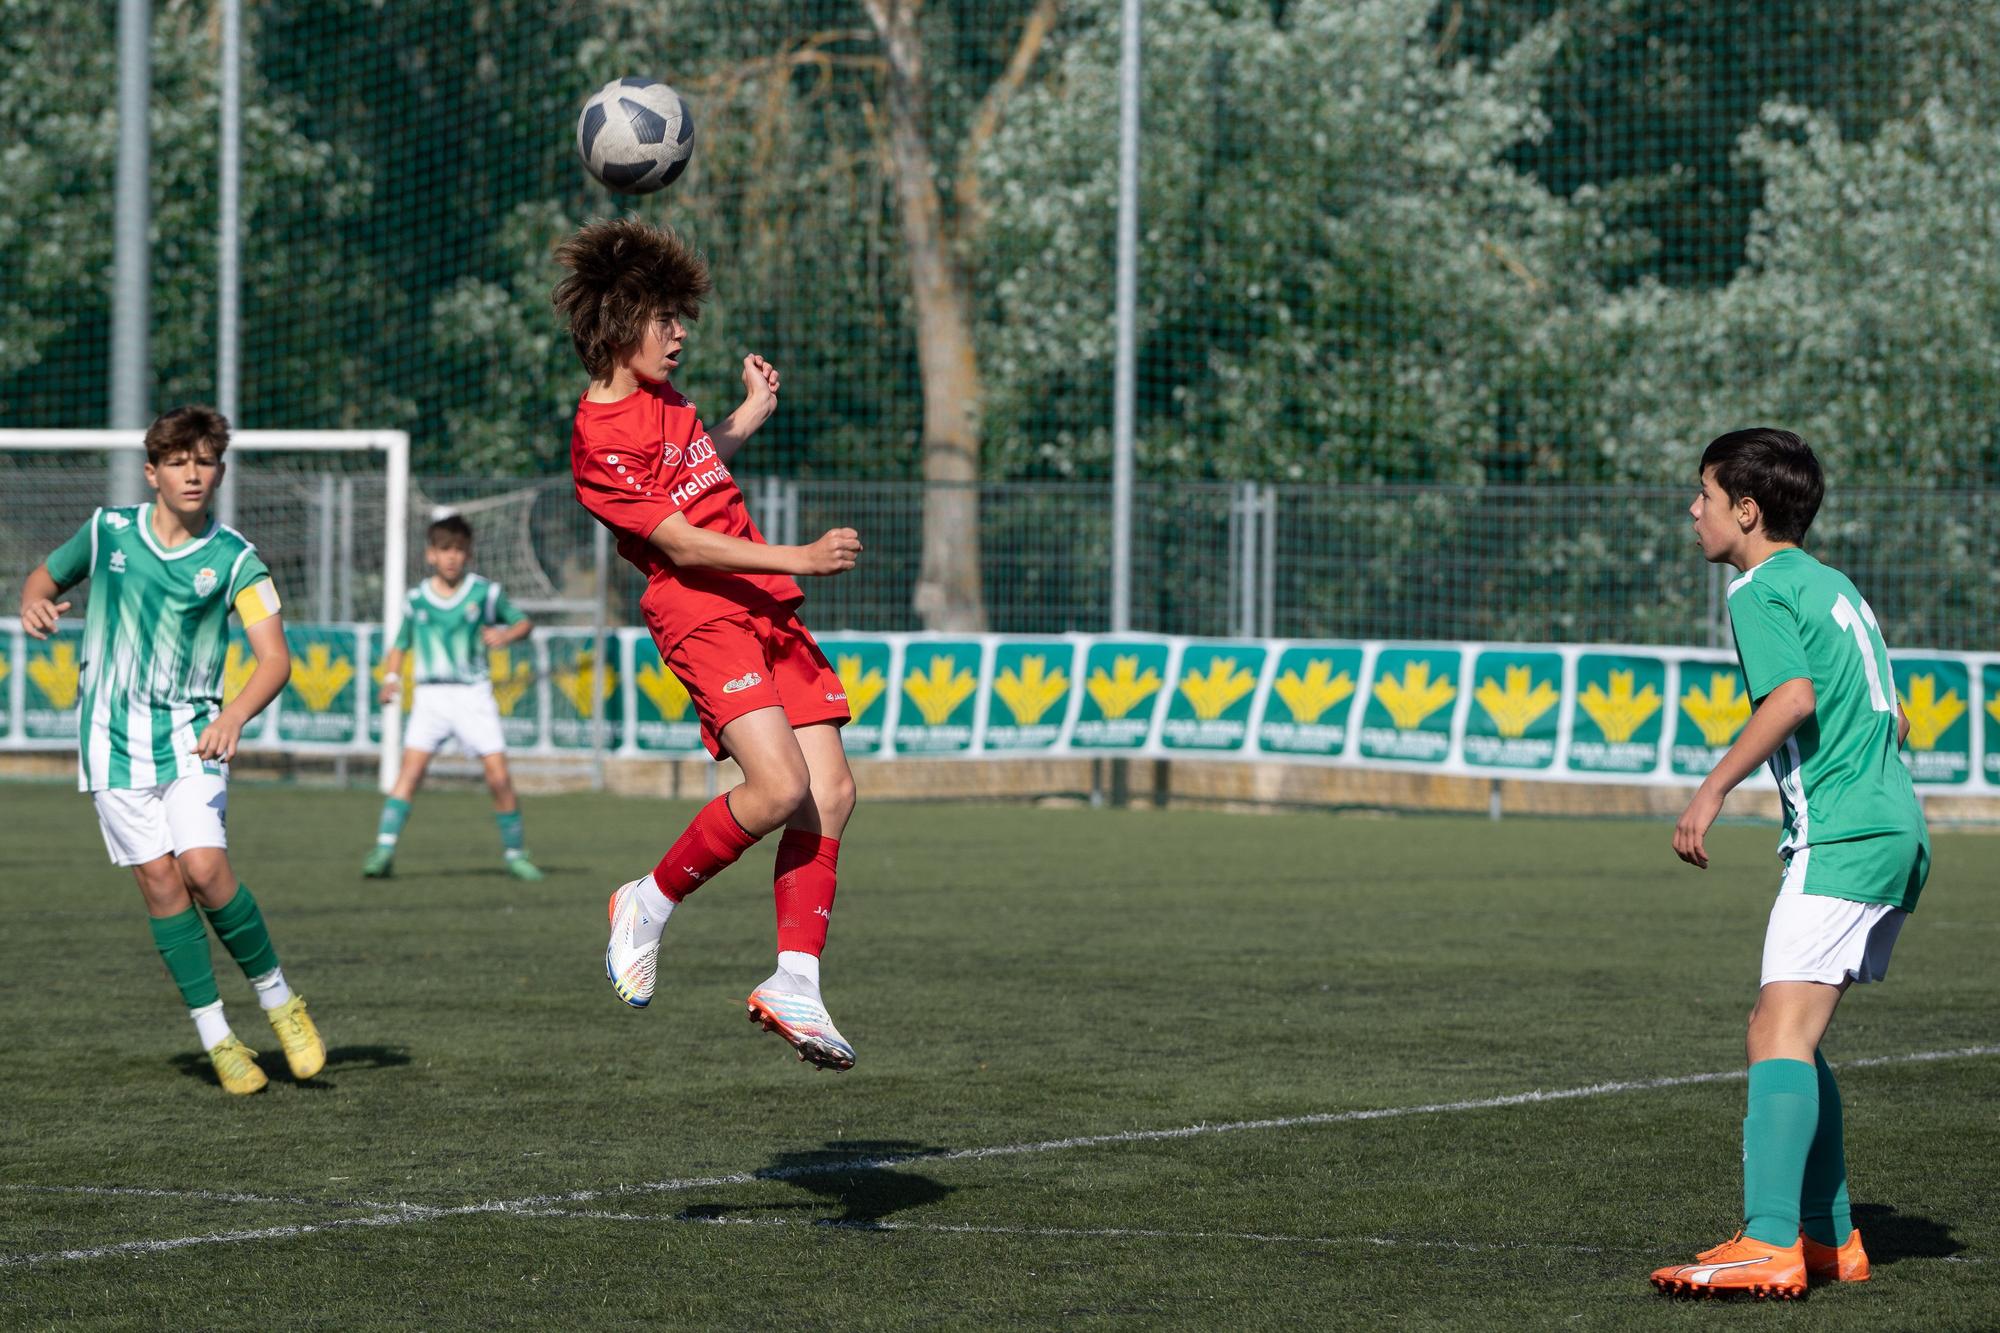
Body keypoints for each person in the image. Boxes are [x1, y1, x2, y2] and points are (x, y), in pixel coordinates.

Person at [553, 217, 865, 1070]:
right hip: (699, 607)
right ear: (620, 325)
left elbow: (697, 471)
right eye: (665, 318)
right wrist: (799, 554)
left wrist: (747, 416)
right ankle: (645, 903)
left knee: (830, 792)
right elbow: (682, 540)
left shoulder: (671, 404)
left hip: (760, 601)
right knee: (776, 788)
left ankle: (795, 980)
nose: (681, 332)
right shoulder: (596, 441)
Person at [1652, 428, 1929, 1298]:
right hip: (1890, 830)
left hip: (1844, 836)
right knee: (1792, 1032)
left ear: (1747, 508)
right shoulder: (1833, 585)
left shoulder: (1760, 586)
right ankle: (1826, 1236)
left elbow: (1796, 697)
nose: (1690, 509)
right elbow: (1894, 717)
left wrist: (1712, 789)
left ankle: (1769, 1241)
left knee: (1777, 1030)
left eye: (1702, 493)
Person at [16, 405, 326, 1095]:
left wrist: (237, 714)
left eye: (206, 461)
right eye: (179, 461)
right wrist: (33, 602)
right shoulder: (107, 531)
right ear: (151, 472)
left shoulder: (235, 559)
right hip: (110, 743)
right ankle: (218, 1039)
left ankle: (281, 1002)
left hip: (193, 738)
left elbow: (274, 658)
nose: (193, 473)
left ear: (220, 471)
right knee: (160, 882)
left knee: (206, 869)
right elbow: (43, 580)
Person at [364, 513, 541, 880]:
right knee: (410, 773)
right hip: (431, 698)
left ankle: (515, 854)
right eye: (445, 550)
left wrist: (507, 636)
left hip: (473, 696)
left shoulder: (484, 592)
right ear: (431, 554)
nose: (451, 557)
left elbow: (523, 622)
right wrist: (391, 677)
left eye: (459, 550)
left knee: (498, 777)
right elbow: (400, 644)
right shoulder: (416, 600)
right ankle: (383, 850)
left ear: (469, 555)